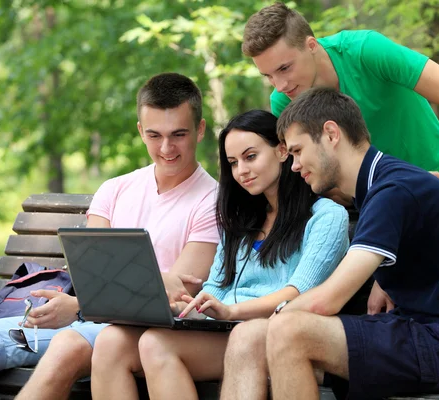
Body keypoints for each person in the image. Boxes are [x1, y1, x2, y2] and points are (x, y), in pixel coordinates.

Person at [0, 73, 220, 400]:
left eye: (179, 134)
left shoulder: (212, 202)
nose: (166, 148)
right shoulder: (115, 189)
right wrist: (121, 290)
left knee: (66, 346)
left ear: (200, 129)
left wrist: (79, 307)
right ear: (139, 131)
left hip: (135, 334)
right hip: (81, 320)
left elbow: (177, 295)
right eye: (154, 135)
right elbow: (95, 277)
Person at [228, 87, 439, 400]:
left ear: (330, 134)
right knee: (248, 336)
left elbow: (324, 302)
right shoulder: (378, 186)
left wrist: (278, 317)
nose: (295, 165)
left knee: (287, 332)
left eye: (298, 151)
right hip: (412, 335)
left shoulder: (393, 189)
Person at [90, 109, 350, 400]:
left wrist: (232, 312)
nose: (241, 171)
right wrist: (186, 306)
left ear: (281, 150)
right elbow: (216, 285)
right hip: (225, 329)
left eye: (250, 157)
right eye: (233, 163)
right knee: (139, 342)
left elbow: (299, 293)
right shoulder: (240, 220)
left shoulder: (325, 217)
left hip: (276, 335)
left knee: (160, 344)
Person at [242, 2, 439, 203]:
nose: (280, 85)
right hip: (372, 197)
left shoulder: (366, 50)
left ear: (311, 45)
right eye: (269, 76)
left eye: (285, 68)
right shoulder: (284, 102)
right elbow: (315, 176)